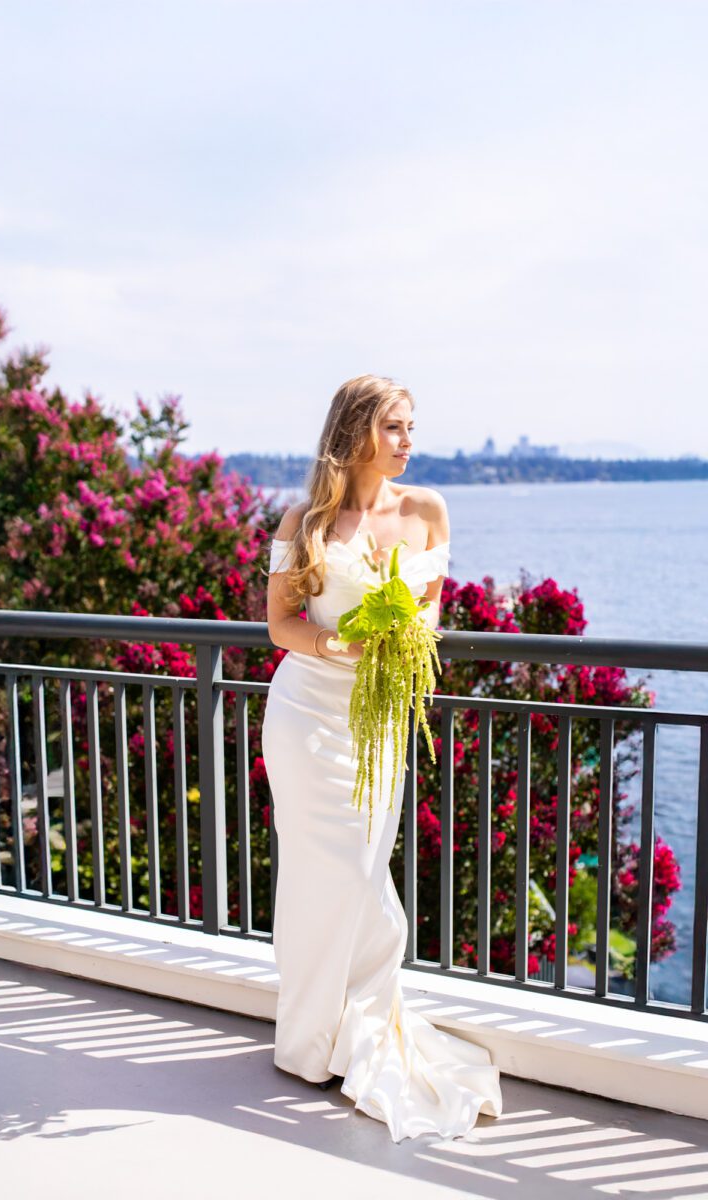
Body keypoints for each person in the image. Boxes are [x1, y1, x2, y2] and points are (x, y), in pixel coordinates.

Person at [261, 374, 503, 1144]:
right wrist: (347, 643)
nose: (408, 440)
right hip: (305, 717)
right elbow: (280, 626)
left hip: (377, 723)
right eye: (394, 426)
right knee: (317, 872)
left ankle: (356, 1029)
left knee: (363, 872)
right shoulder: (306, 519)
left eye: (411, 426)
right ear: (357, 430)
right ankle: (309, 1041)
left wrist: (398, 647)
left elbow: (430, 620)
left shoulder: (428, 511)